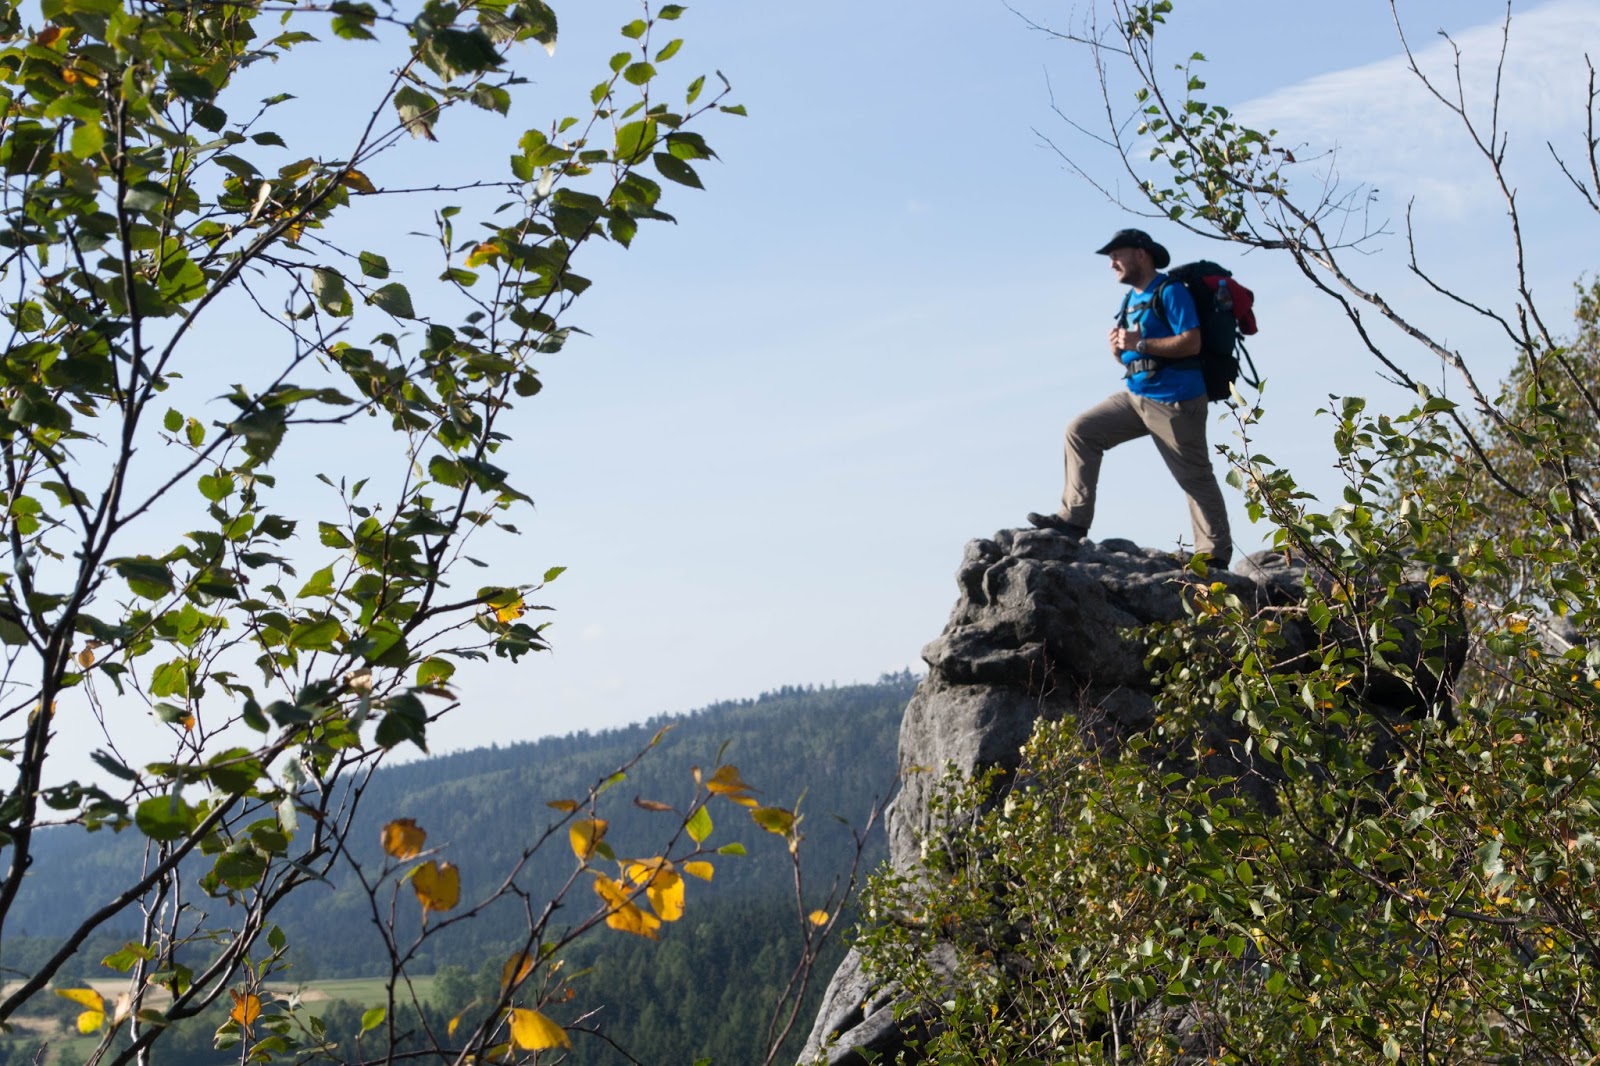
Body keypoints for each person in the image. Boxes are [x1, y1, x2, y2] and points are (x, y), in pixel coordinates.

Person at [1026, 228, 1232, 567]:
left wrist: (1140, 343)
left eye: (1116, 256)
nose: (1112, 264)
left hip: (1176, 400)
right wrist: (1118, 351)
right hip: (1137, 395)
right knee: (1081, 431)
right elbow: (1134, 354)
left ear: (1141, 254)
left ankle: (1214, 555)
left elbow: (1191, 342)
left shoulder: (1171, 291)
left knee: (1194, 476)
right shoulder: (1130, 300)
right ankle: (1073, 520)